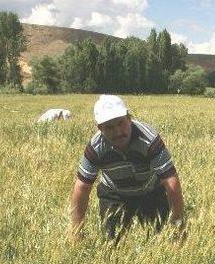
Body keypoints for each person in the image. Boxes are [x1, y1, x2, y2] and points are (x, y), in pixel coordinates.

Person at [70, 95, 185, 240]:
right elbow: (82, 187)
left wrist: (178, 225)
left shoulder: (149, 139)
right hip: (114, 194)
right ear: (100, 128)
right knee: (112, 245)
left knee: (162, 240)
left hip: (151, 192)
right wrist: (76, 231)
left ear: (129, 118)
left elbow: (171, 182)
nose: (118, 132)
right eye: (109, 127)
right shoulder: (95, 147)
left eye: (121, 123)